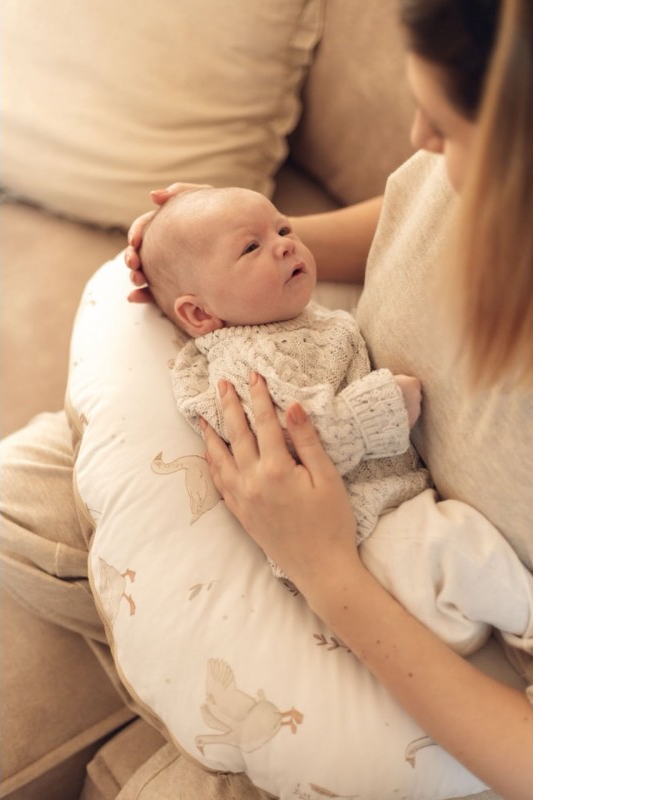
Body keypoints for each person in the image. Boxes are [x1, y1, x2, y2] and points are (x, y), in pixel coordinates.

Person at [123, 1, 533, 798]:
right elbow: (420, 210)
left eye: (447, 127)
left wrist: (325, 572)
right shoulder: (490, 175)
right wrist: (242, 245)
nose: (416, 138)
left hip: (386, 581)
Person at [135, 184, 532, 657]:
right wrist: (377, 410)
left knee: (466, 549)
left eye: (283, 228)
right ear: (199, 313)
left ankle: (513, 622)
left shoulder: (298, 319)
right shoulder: (242, 362)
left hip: (398, 508)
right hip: (365, 535)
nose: (284, 243)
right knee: (458, 550)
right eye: (250, 246)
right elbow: (290, 441)